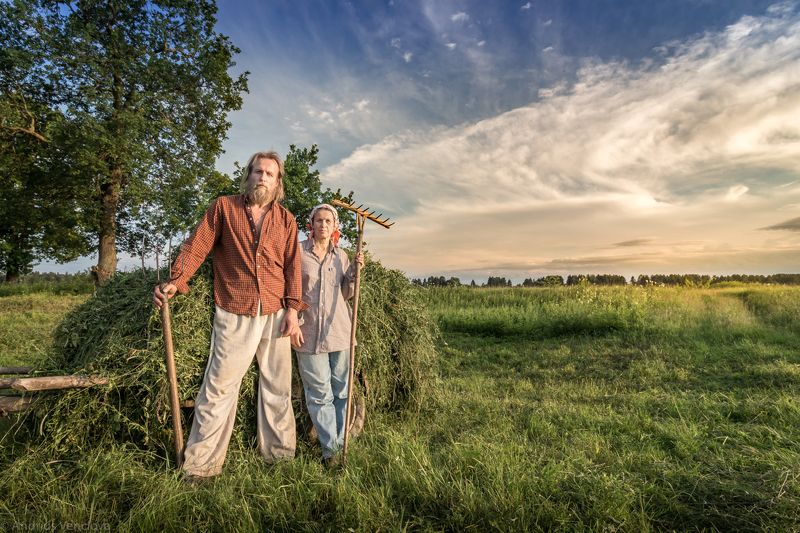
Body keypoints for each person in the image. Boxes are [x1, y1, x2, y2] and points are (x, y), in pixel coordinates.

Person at [153, 150, 307, 482]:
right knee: (220, 386)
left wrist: (293, 311)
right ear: (248, 175)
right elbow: (197, 246)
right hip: (235, 307)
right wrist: (177, 281)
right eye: (258, 171)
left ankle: (279, 456)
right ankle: (201, 466)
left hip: (277, 311)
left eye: (270, 173)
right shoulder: (225, 207)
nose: (263, 177)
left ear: (278, 182)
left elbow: (294, 267)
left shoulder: (286, 220)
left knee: (277, 387)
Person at [296, 203, 363, 467]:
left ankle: (340, 442)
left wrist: (355, 273)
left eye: (328, 221)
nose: (323, 225)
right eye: (319, 220)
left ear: (335, 227)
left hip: (340, 332)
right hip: (308, 332)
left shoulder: (342, 256)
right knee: (319, 394)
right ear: (311, 224)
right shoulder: (298, 252)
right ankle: (331, 451)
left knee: (342, 391)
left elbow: (347, 293)